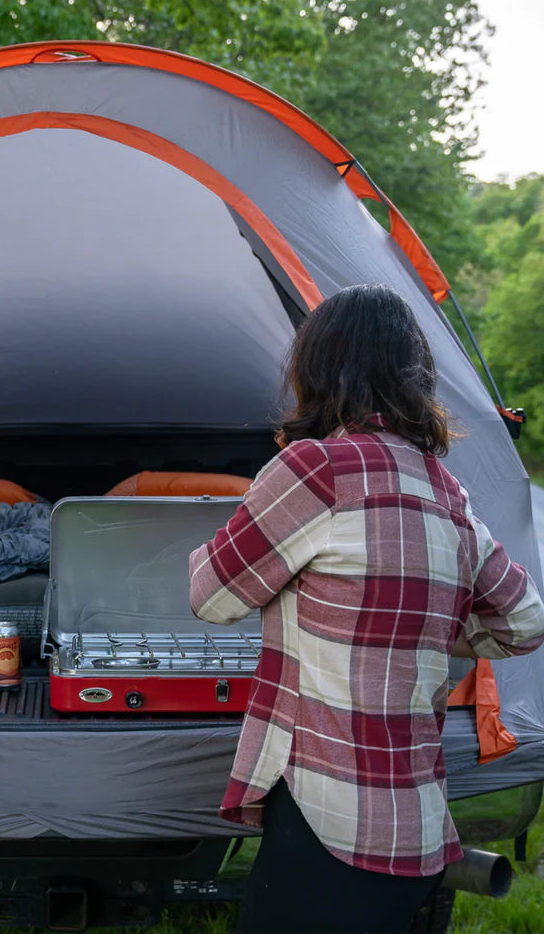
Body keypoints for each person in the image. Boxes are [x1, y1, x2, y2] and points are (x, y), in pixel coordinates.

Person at [188, 284, 544, 933]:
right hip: (418, 827)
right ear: (417, 376)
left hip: (329, 822)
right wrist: (428, 628)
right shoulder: (446, 491)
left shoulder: (315, 469)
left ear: (317, 368)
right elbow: (524, 620)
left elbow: (212, 596)